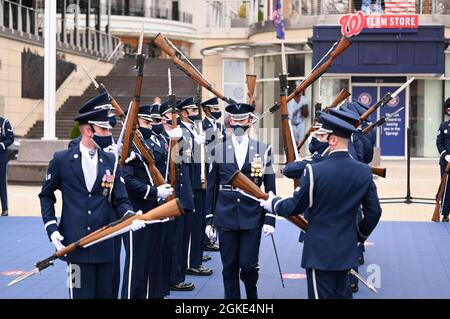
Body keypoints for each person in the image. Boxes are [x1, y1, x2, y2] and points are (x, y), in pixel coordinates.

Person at [260, 113, 382, 299]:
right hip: (347, 248)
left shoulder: (315, 170)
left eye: (321, 136)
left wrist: (273, 203)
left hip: (319, 252)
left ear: (332, 139)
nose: (318, 139)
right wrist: (359, 235)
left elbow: (295, 206)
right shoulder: (364, 171)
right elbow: (374, 212)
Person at [39, 108, 146, 299]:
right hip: (75, 246)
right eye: (104, 130)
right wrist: (51, 228)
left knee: (106, 295)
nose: (109, 135)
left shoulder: (111, 160)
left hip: (104, 245)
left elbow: (120, 199)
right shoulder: (61, 160)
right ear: (89, 130)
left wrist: (130, 216)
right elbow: (46, 195)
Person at [205, 102, 276, 299]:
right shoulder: (218, 150)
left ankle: (252, 297)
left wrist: (270, 218)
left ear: (250, 121)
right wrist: (209, 219)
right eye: (234, 120)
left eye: (242, 120)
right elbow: (211, 188)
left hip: (251, 213)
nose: (237, 124)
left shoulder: (264, 149)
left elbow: (270, 188)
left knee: (248, 267)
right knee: (228, 268)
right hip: (225, 213)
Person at [121, 104, 174, 299]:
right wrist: (153, 192)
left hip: (150, 209)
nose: (150, 126)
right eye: (146, 122)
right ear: (134, 123)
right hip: (136, 210)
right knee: (136, 262)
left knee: (149, 257)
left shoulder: (142, 143)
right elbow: (127, 180)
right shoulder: (128, 147)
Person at [177, 97, 213, 277]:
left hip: (200, 181)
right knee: (192, 227)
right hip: (193, 183)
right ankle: (192, 262)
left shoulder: (195, 129)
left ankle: (196, 260)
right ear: (183, 113)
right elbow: (183, 161)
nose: (195, 113)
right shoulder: (182, 131)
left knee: (199, 224)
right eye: (191, 110)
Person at [436, 98, 450, 222]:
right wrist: (445, 155)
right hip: (446, 162)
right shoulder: (444, 125)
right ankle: (445, 213)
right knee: (445, 187)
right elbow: (439, 143)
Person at [0, 115, 14, 216]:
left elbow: (10, 138)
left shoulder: (4, 122)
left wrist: (1, 145)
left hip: (1, 158)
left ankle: (5, 209)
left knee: (1, 184)